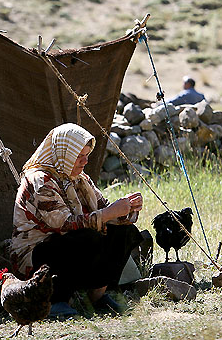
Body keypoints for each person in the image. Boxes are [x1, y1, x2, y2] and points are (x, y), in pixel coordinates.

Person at [10, 123, 144, 317]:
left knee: (124, 232)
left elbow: (103, 206)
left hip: (67, 245)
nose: (84, 162)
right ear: (64, 154)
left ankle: (97, 295)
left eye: (86, 156)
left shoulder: (79, 179)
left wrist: (127, 209)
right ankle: (55, 300)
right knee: (87, 237)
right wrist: (108, 214)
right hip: (37, 253)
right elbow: (64, 223)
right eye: (79, 157)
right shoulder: (39, 180)